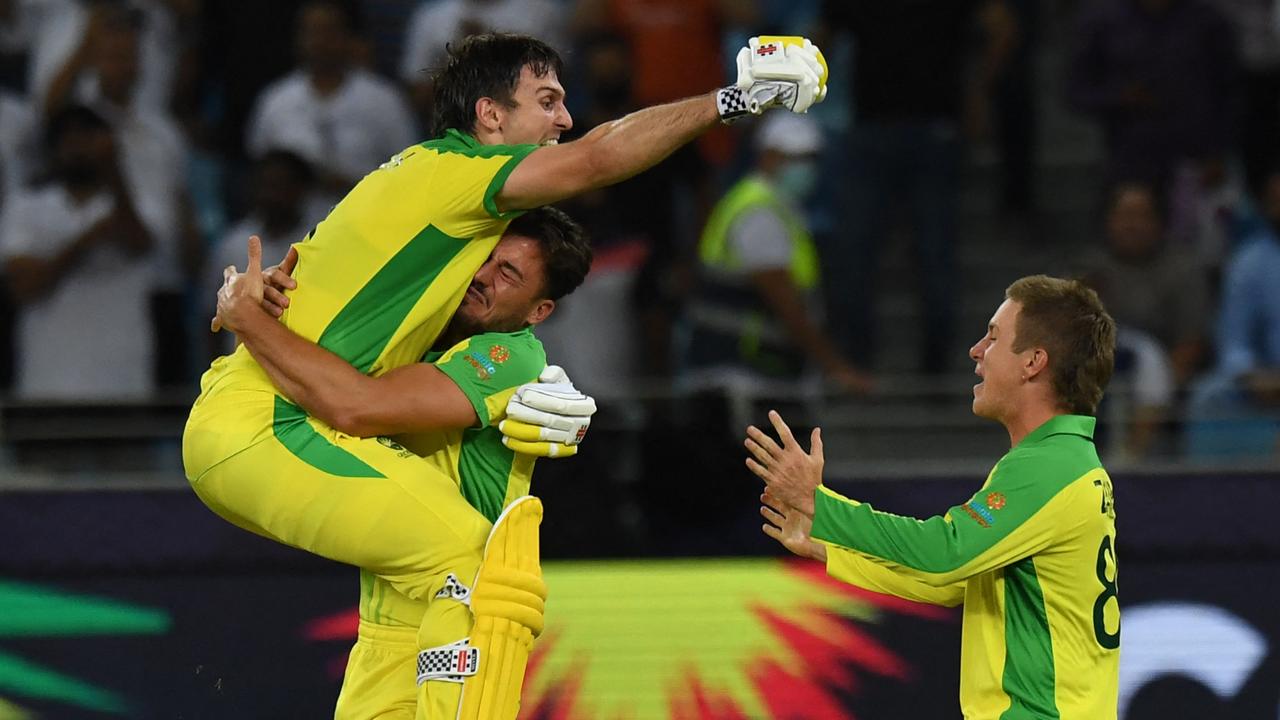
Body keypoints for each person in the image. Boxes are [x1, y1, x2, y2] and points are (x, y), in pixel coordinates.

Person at [183, 31, 828, 720]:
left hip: (276, 443)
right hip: (267, 426)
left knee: (436, 581)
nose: (564, 120)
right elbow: (599, 157)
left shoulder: (424, 218)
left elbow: (332, 298)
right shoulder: (459, 177)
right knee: (469, 554)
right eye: (546, 101)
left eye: (510, 273)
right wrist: (734, 100)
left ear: (542, 309)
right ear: (490, 117)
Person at [214, 207, 590, 718]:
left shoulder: (511, 355)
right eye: (487, 258)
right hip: (384, 623)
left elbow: (356, 409)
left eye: (509, 274)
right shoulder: (414, 332)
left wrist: (251, 323)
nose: (482, 277)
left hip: (465, 608)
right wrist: (271, 298)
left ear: (538, 312)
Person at [747, 275, 1121, 719]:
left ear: (1033, 362)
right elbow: (953, 581)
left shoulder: (1046, 467)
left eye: (994, 337)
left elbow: (944, 552)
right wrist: (828, 546)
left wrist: (821, 505)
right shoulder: (1066, 460)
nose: (976, 350)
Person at [686, 112, 871, 394]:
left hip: (756, 371)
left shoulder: (779, 208)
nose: (806, 168)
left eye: (811, 159)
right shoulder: (759, 213)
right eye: (797, 158)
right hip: (740, 376)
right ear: (768, 156)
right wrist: (834, 366)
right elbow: (785, 303)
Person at [0, 104, 155, 400]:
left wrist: (115, 171)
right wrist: (87, 240)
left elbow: (141, 243)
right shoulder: (25, 207)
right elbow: (24, 287)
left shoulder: (138, 202)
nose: (77, 147)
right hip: (46, 384)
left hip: (123, 383)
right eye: (68, 138)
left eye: (87, 136)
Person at [1185, 169, 1280, 459]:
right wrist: (1250, 374)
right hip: (1268, 378)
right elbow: (1234, 340)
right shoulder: (1249, 262)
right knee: (1207, 397)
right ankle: (1214, 497)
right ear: (1265, 206)